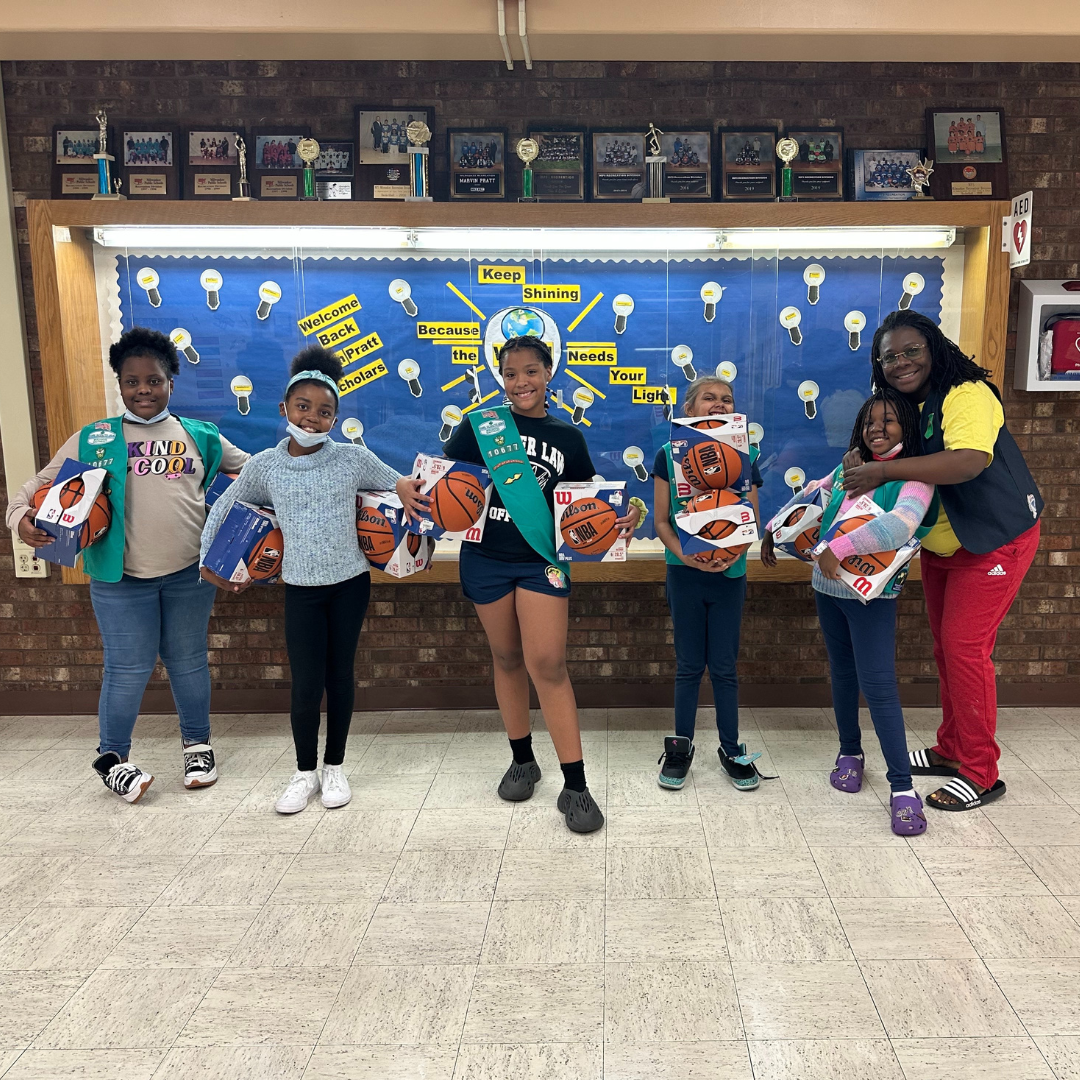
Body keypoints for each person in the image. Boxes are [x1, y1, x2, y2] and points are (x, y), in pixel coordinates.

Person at [7, 327, 250, 802]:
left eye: (154, 380)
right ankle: (112, 757)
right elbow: (33, 486)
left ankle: (197, 745)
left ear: (171, 383)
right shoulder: (95, 438)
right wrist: (20, 520)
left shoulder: (200, 435)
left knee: (188, 661)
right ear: (119, 383)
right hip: (120, 579)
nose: (144, 389)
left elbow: (259, 472)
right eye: (132, 380)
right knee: (127, 668)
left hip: (188, 573)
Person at [418, 336, 638, 834]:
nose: (522, 382)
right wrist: (408, 488)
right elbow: (443, 485)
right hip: (485, 559)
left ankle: (576, 785)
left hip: (541, 560)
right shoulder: (480, 427)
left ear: (548, 374)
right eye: (511, 373)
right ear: (501, 378)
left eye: (531, 372)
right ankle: (523, 760)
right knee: (507, 658)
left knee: (548, 664)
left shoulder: (569, 438)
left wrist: (628, 515)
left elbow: (588, 505)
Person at [200, 347, 421, 815]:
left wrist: (415, 488)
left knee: (340, 676)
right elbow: (226, 506)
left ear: (336, 417)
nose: (313, 418)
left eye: (325, 412)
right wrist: (209, 561)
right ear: (285, 409)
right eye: (304, 407)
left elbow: (396, 482)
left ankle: (335, 766)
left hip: (350, 584)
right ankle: (304, 772)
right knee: (305, 682)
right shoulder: (265, 465)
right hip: (299, 588)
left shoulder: (351, 459)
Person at [843, 310, 1042, 812]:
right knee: (946, 649)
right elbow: (883, 448)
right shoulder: (909, 403)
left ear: (934, 347)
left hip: (994, 539)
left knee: (965, 649)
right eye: (889, 357)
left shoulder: (967, 393)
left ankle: (981, 771)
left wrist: (881, 472)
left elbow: (969, 459)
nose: (901, 362)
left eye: (912, 350)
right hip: (943, 546)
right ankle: (951, 749)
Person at [762, 387, 938, 835]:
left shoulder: (915, 476)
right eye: (870, 423)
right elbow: (814, 493)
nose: (877, 430)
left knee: (879, 687)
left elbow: (900, 524)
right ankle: (850, 752)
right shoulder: (851, 466)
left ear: (907, 428)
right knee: (841, 675)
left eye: (889, 422)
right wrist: (773, 528)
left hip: (871, 597)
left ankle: (902, 788)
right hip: (827, 588)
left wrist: (838, 548)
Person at [652, 376, 766, 791]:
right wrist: (686, 555)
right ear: (689, 409)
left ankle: (731, 749)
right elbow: (661, 520)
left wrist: (728, 555)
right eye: (709, 398)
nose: (719, 404)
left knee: (724, 667)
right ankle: (680, 749)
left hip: (728, 575)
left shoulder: (744, 456)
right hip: (684, 573)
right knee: (687, 666)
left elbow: (749, 520)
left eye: (727, 399)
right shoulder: (668, 454)